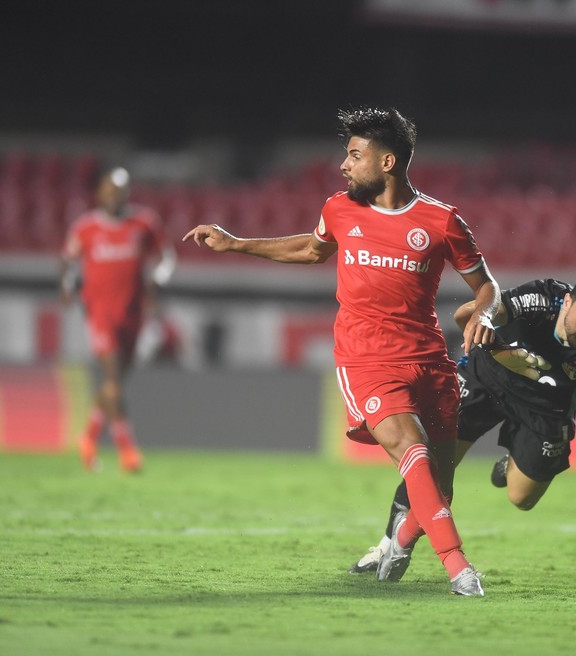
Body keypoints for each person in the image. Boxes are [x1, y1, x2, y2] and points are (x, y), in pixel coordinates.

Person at [183, 107, 500, 596]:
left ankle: (399, 541)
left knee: (440, 478)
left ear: (389, 162)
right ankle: (459, 569)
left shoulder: (441, 222)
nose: (343, 165)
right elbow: (311, 250)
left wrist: (485, 312)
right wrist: (235, 244)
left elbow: (487, 287)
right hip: (366, 358)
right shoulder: (340, 209)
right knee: (412, 455)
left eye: (355, 155)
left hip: (428, 359)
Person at [348, 267, 576, 576]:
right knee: (430, 464)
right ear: (569, 301)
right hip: (484, 380)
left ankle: (510, 464)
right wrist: (502, 350)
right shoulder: (538, 300)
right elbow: (465, 316)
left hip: (547, 409)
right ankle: (385, 548)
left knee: (522, 499)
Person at [60, 166, 176, 473]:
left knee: (117, 382)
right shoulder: (85, 228)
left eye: (119, 190)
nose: (114, 195)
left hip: (133, 313)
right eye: (109, 189)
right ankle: (128, 452)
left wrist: (159, 279)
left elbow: (167, 256)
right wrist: (67, 286)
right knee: (113, 380)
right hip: (99, 313)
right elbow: (68, 262)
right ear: (98, 192)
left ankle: (87, 438)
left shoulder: (144, 223)